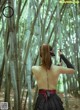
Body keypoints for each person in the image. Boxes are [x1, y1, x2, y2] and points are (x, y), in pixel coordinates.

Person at [32, 44, 75, 110]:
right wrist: (62, 56)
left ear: (41, 55)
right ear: (51, 55)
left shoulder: (34, 69)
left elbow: (43, 72)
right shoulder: (57, 69)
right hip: (54, 101)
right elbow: (72, 70)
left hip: (41, 101)